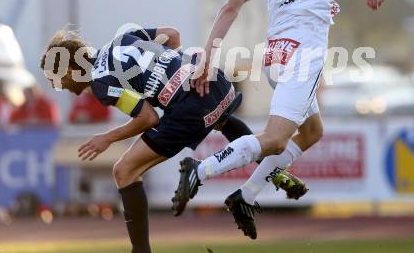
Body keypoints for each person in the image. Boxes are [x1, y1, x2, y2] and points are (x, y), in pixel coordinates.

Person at [173, 0, 388, 239]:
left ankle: (245, 194)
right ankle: (200, 170)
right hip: (305, 51)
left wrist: (208, 55)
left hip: (276, 54)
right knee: (274, 138)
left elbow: (230, 7)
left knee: (312, 131)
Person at [40, 24, 291, 253]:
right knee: (220, 119)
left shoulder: (101, 83)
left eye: (57, 79)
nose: (58, 86)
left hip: (191, 108)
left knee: (124, 171)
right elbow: (173, 35)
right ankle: (278, 174)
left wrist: (107, 138)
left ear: (71, 67)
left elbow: (148, 118)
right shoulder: (123, 39)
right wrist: (171, 76)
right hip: (215, 82)